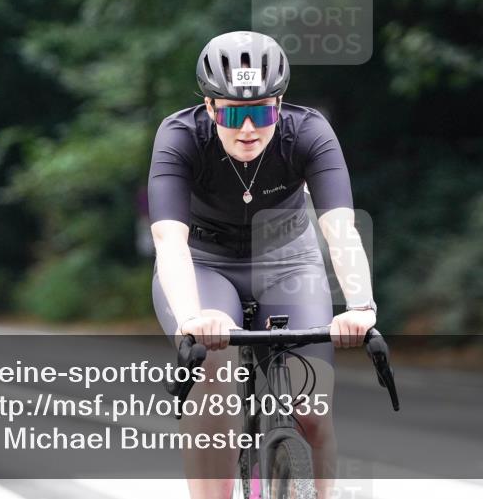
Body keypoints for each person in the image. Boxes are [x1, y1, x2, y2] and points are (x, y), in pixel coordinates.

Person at [148, 31, 377, 499]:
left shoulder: (309, 132)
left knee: (311, 408)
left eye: (262, 112)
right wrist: (193, 319)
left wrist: (360, 306)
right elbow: (169, 241)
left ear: (280, 104)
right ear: (210, 107)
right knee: (213, 371)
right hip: (204, 263)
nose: (248, 128)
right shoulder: (180, 136)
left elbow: (340, 228)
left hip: (288, 261)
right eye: (233, 113)